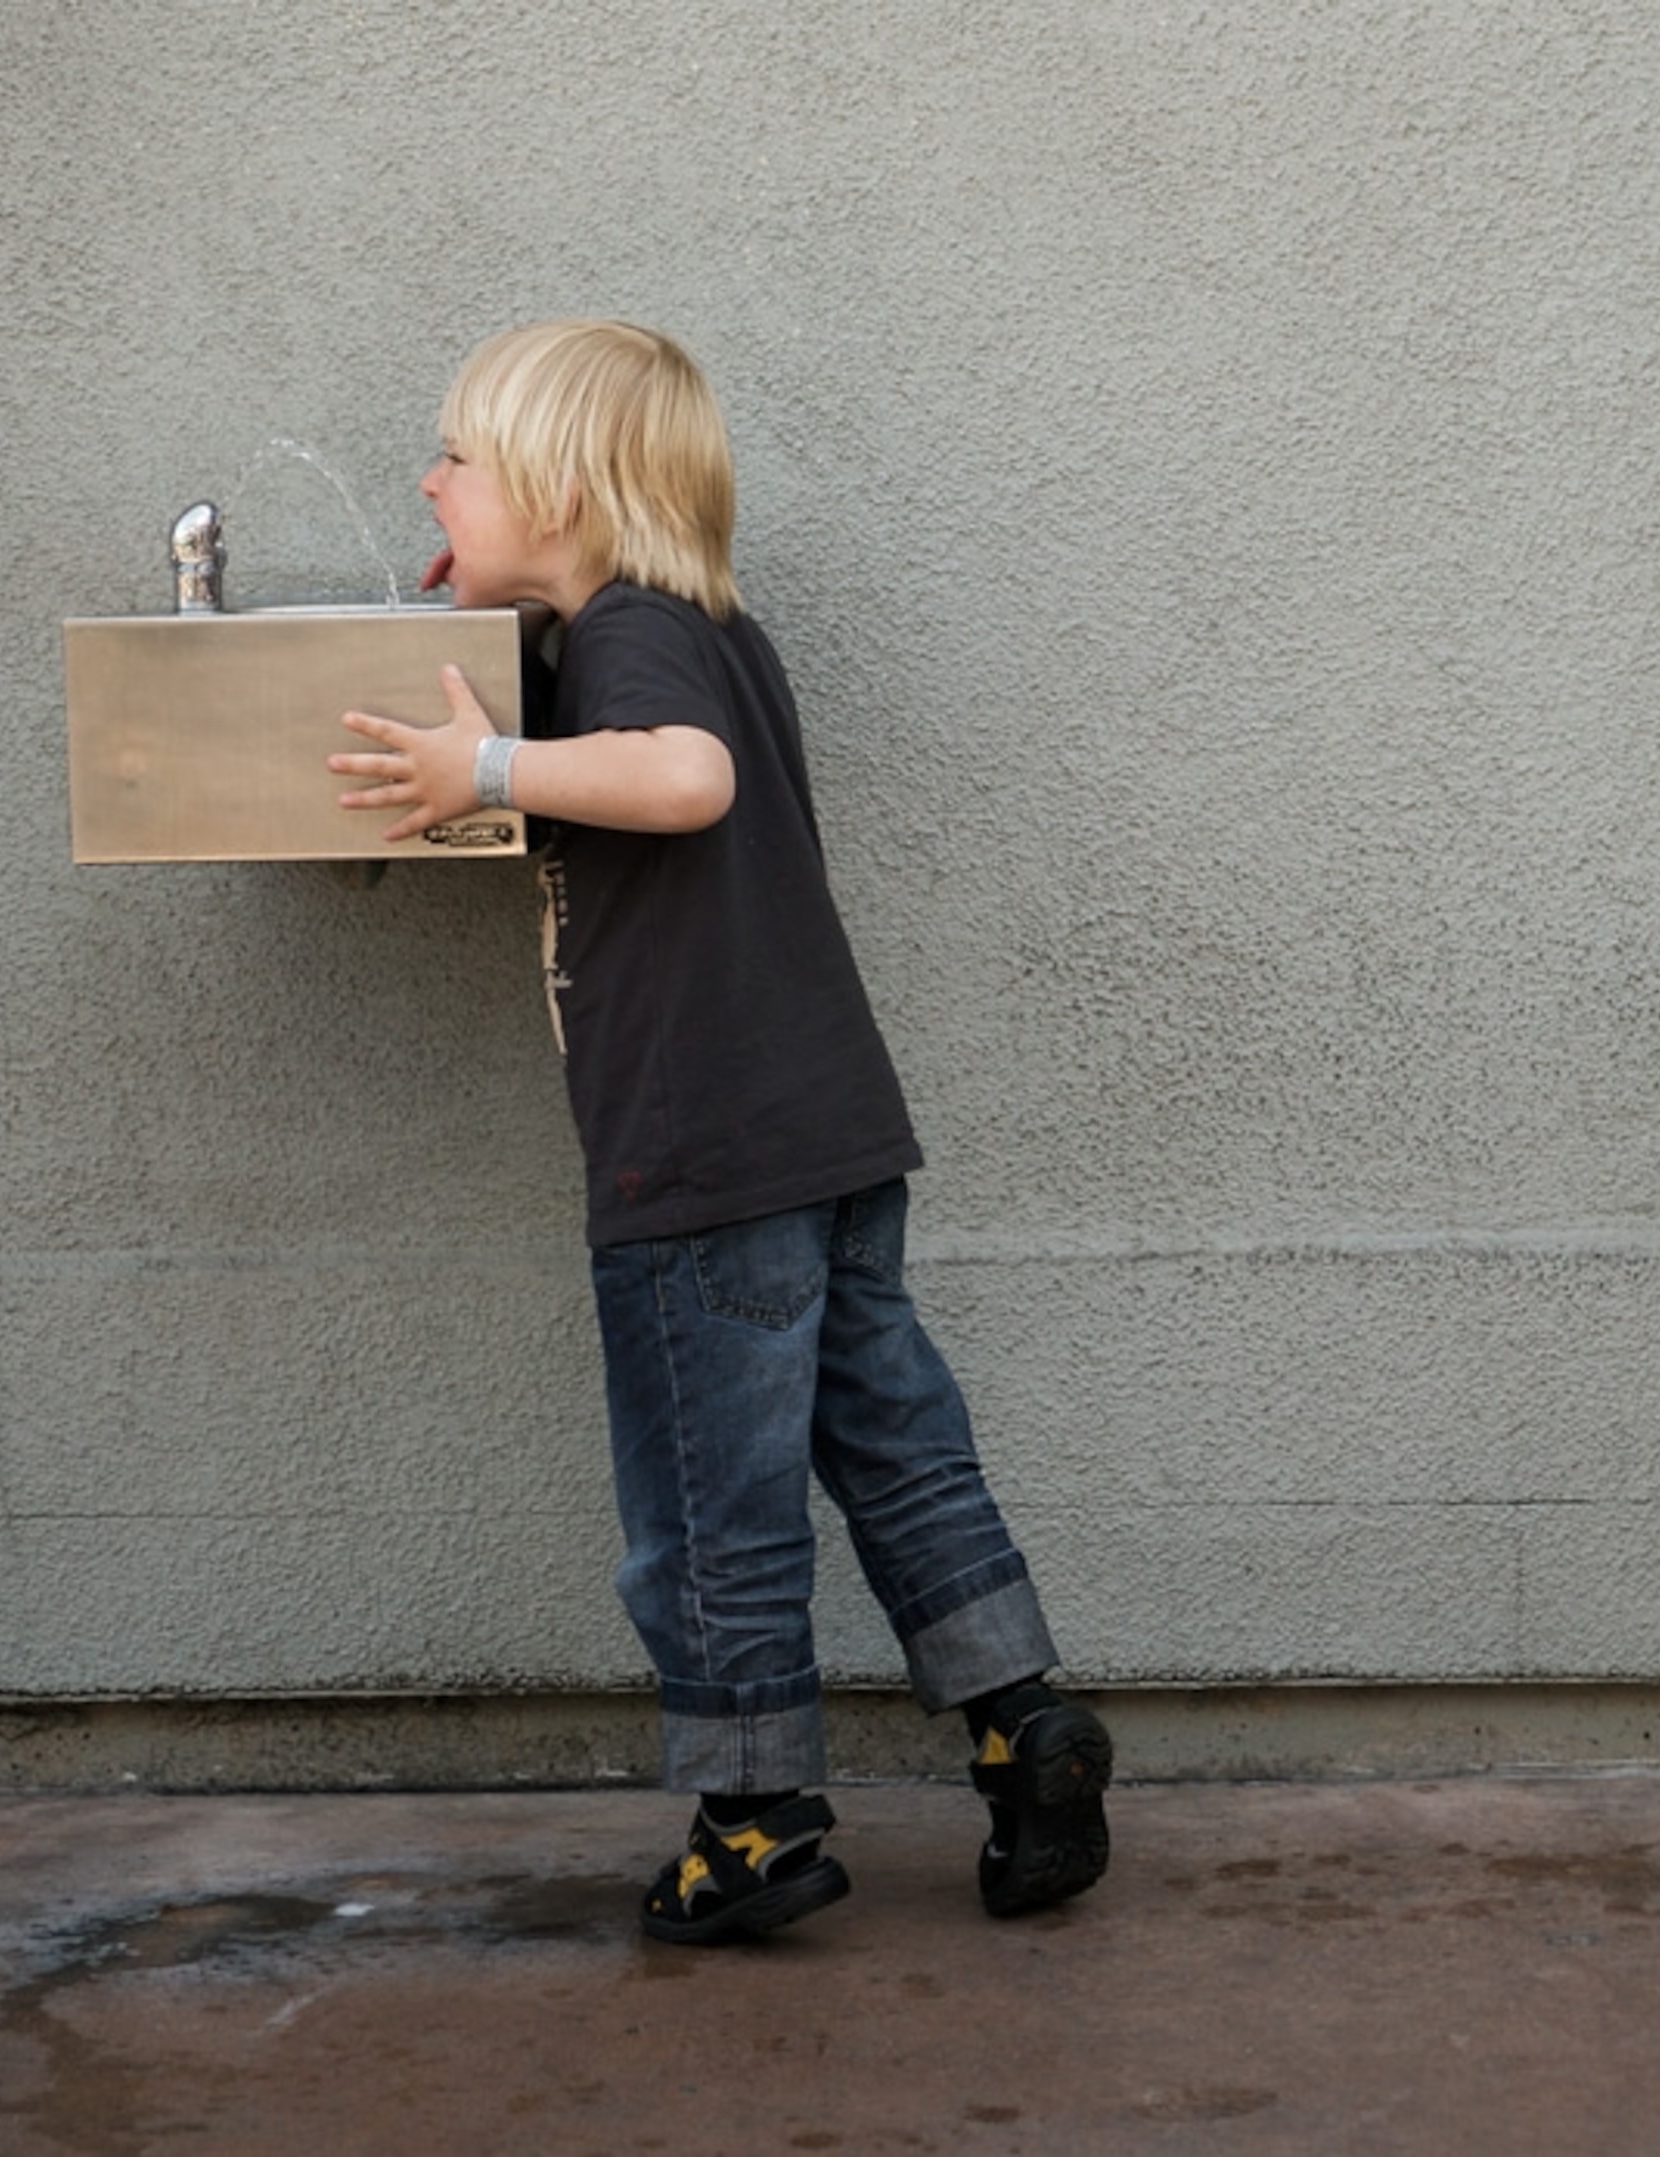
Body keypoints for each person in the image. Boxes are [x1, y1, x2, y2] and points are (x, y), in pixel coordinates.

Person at [329, 318, 1111, 1944]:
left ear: (559, 485)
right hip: (827, 1140)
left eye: (456, 455)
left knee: (710, 1501)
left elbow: (682, 781)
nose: (428, 477)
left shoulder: (633, 643)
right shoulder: (705, 626)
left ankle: (752, 1817)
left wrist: (476, 758)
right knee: (903, 1456)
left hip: (698, 1166)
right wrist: (492, 676)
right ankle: (1019, 1721)